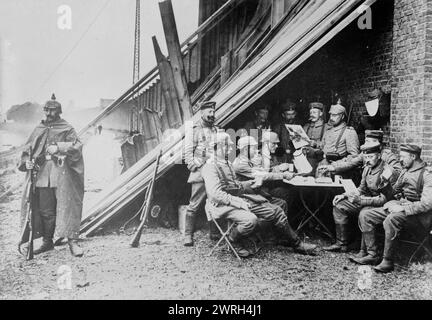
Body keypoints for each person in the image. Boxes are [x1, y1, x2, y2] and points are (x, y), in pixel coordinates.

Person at [201, 132, 317, 258]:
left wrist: (250, 183)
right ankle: (233, 239)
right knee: (251, 220)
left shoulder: (226, 163)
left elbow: (235, 185)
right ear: (217, 147)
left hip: (236, 199)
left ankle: (295, 242)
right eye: (227, 145)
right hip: (222, 205)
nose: (230, 148)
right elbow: (215, 194)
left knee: (277, 209)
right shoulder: (210, 167)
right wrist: (239, 202)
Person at [18, 94, 84, 257]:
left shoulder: (67, 128)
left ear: (59, 111)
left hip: (62, 174)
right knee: (45, 210)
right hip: (42, 175)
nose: (48, 113)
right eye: (46, 110)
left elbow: (77, 145)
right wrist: (27, 163)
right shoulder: (38, 128)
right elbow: (27, 149)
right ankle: (47, 242)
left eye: (52, 110)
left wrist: (59, 147)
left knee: (67, 207)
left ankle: (72, 242)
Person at [357, 144, 432, 273]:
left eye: (403, 157)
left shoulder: (427, 174)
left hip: (420, 217)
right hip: (403, 208)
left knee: (391, 219)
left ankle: (387, 261)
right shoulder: (405, 170)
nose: (400, 160)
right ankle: (372, 254)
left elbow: (427, 204)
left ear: (413, 156)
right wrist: (384, 184)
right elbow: (393, 193)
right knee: (366, 215)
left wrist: (402, 209)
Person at [323, 141, 394, 255]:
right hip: (366, 200)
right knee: (340, 204)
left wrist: (361, 201)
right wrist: (344, 195)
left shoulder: (386, 171)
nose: (367, 160)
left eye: (371, 156)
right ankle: (342, 244)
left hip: (381, 204)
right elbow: (361, 189)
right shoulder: (367, 168)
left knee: (364, 212)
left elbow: (384, 199)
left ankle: (367, 251)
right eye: (365, 157)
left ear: (379, 156)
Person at [183, 100, 219, 246]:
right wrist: (193, 166)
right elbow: (187, 152)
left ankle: (215, 232)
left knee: (214, 201)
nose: (212, 115)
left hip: (213, 172)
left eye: (213, 112)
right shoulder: (194, 129)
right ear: (202, 113)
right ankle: (188, 235)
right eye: (209, 112)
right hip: (199, 171)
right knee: (194, 204)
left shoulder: (216, 129)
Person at [323, 129, 401, 180]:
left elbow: (398, 171)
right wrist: (334, 167)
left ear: (379, 145)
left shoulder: (388, 155)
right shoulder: (364, 154)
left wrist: (385, 174)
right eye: (366, 141)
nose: (366, 145)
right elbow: (351, 163)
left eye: (370, 142)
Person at [317, 104, 360, 179]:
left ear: (342, 116)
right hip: (323, 167)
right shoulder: (328, 131)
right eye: (330, 115)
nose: (331, 118)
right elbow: (322, 149)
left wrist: (337, 165)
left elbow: (354, 156)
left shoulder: (349, 132)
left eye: (335, 115)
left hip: (338, 171)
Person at [302, 102, 328, 174]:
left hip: (319, 160)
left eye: (314, 112)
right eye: (311, 113)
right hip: (305, 159)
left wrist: (316, 144)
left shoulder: (326, 127)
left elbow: (328, 144)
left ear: (321, 114)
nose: (312, 115)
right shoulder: (306, 127)